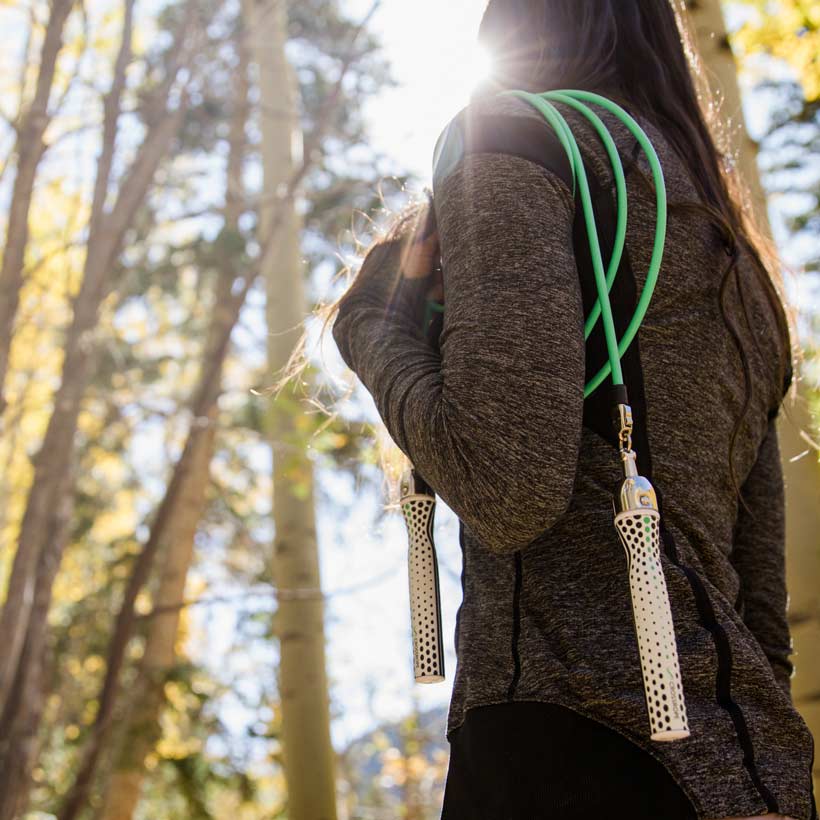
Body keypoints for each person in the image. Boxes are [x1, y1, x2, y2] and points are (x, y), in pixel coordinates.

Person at [327, 1, 818, 818]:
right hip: (751, 774)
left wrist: (373, 326)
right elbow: (761, 617)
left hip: (568, 746)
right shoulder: (737, 256)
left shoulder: (515, 140)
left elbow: (508, 488)